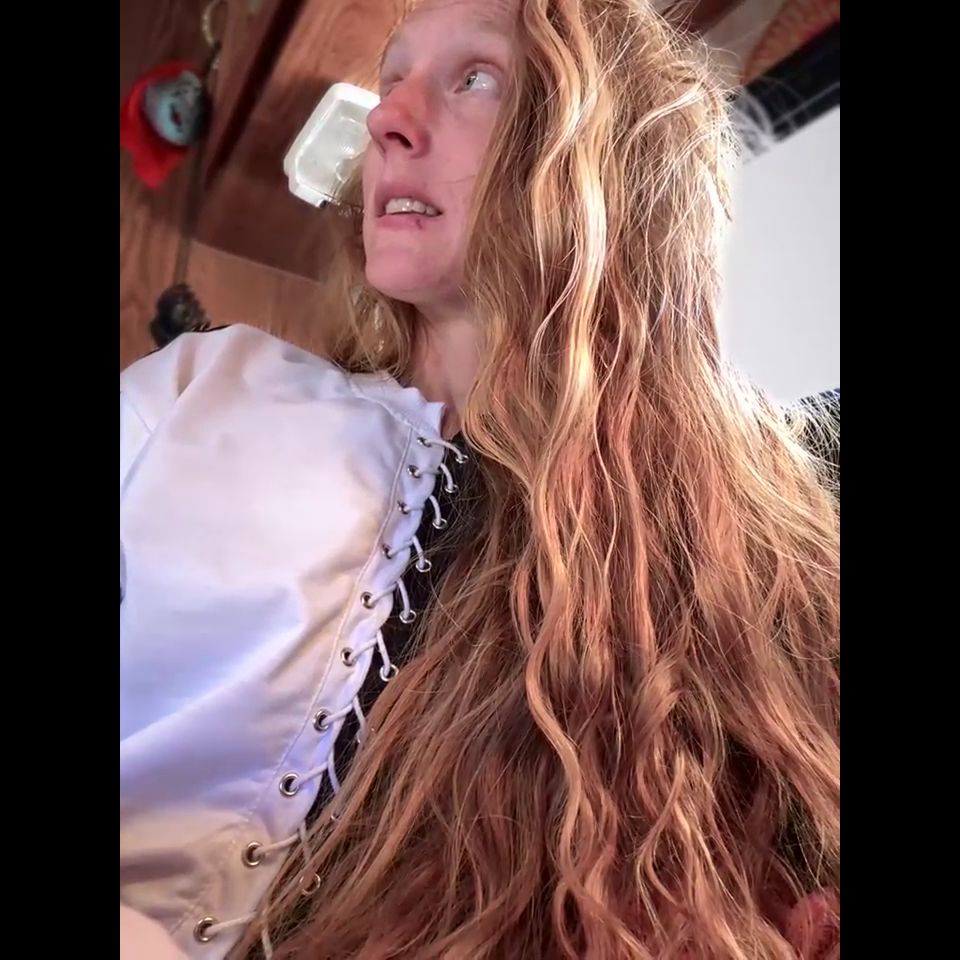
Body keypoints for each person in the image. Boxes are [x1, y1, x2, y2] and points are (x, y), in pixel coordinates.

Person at [119, 1, 840, 958]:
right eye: (392, 80)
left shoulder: (735, 556)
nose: (387, 117)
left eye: (474, 79)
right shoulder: (209, 389)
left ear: (603, 155)